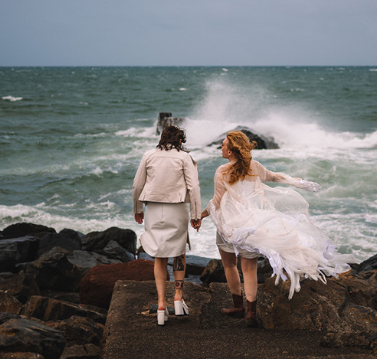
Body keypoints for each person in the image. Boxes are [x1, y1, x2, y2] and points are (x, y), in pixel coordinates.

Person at [200, 131, 349, 327]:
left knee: (229, 265)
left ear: (231, 150)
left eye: (224, 144)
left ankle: (238, 306)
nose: (221, 146)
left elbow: (217, 201)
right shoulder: (254, 166)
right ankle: (251, 312)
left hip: (230, 225)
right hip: (254, 224)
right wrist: (297, 181)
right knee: (249, 268)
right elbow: (274, 177)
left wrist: (200, 216)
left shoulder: (222, 171)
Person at [133, 125, 202, 326]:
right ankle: (178, 297)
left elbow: (137, 185)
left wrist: (137, 209)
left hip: (153, 210)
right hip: (177, 209)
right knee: (179, 252)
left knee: (159, 255)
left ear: (162, 138)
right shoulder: (184, 157)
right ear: (180, 141)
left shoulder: (149, 155)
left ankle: (161, 304)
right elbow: (194, 187)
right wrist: (196, 214)